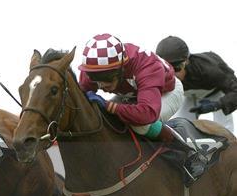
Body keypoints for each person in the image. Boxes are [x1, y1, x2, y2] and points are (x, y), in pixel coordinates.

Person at [78, 33, 204, 180]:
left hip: (167, 91)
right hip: (132, 93)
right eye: (95, 78)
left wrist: (108, 105)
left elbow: (147, 114)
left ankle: (187, 152)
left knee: (140, 125)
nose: (101, 85)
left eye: (106, 78)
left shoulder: (147, 66)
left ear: (121, 68)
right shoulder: (93, 68)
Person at [156, 35, 237, 133]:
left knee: (225, 128)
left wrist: (217, 105)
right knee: (178, 129)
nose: (173, 74)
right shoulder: (156, 73)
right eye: (167, 69)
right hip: (189, 97)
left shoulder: (211, 69)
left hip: (216, 93)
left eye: (177, 68)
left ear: (187, 62)